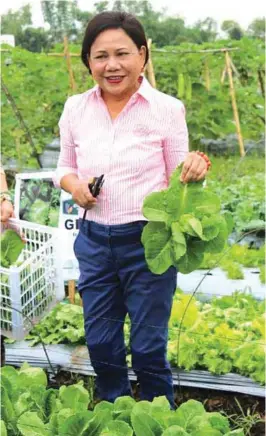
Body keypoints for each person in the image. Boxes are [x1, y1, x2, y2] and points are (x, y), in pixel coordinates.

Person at [55, 11, 210, 408]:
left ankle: (160, 416)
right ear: (88, 60)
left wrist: (196, 167)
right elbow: (65, 168)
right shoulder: (76, 108)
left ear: (142, 55)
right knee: (102, 342)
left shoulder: (166, 109)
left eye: (122, 53)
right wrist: (77, 188)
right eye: (100, 55)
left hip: (149, 242)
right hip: (93, 240)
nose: (112, 65)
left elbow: (181, 180)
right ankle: (115, 411)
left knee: (147, 344)